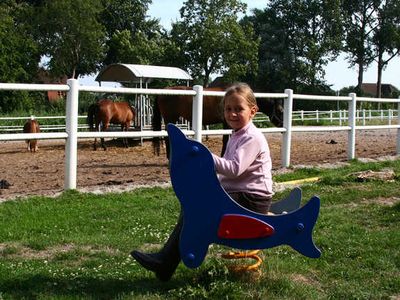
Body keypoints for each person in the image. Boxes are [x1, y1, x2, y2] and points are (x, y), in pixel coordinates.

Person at [131, 82, 274, 281]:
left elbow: (234, 169)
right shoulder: (238, 135)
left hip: (252, 199)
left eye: (238, 109)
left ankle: (167, 260)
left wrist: (206, 157)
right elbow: (229, 173)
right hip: (241, 194)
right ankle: (166, 261)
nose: (232, 114)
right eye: (228, 109)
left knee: (199, 208)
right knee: (194, 204)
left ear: (253, 111)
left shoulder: (252, 138)